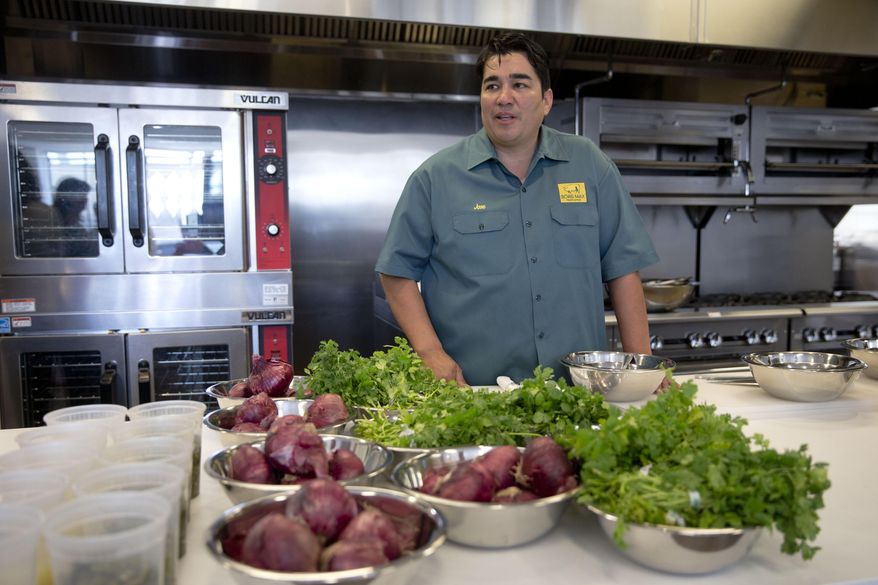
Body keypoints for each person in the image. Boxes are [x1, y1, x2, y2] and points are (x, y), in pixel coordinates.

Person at [374, 32, 659, 387]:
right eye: (492, 86)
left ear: (547, 100)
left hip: (578, 394)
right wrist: (431, 353)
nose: (503, 98)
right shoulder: (435, 178)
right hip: (475, 396)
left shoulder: (590, 164)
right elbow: (397, 273)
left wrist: (642, 368)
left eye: (520, 84)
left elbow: (623, 270)